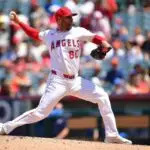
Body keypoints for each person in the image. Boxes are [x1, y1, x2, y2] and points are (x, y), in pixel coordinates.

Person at [0, 7, 132, 144]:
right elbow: (33, 33)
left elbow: (95, 38)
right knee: (40, 113)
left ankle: (111, 135)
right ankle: (6, 127)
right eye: (68, 17)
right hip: (57, 81)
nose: (71, 19)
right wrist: (19, 22)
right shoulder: (50, 34)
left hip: (75, 81)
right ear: (59, 20)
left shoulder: (77, 31)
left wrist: (103, 44)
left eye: (71, 17)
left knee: (103, 97)